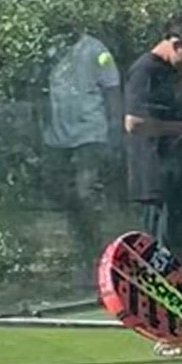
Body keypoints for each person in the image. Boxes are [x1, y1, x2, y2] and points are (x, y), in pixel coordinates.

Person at [123, 13, 182, 264]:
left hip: (180, 178)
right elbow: (135, 123)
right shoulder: (145, 71)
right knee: (163, 259)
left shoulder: (171, 73)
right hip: (159, 183)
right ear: (177, 44)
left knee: (181, 252)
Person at [44, 31, 122, 273]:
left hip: (90, 134)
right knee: (66, 197)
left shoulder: (96, 50)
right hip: (57, 139)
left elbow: (112, 91)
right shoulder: (49, 49)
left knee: (86, 193)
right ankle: (83, 249)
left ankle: (100, 253)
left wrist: (116, 130)